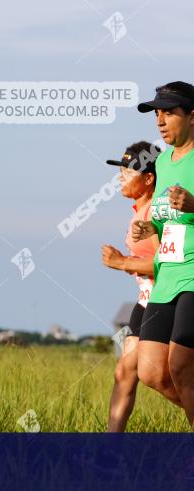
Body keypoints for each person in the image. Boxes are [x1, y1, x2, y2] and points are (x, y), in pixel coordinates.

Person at [132, 81, 194, 424]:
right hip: (166, 277)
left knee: (182, 365)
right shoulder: (165, 162)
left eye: (169, 112)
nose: (160, 120)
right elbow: (167, 217)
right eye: (157, 113)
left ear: (192, 116)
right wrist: (150, 228)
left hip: (193, 276)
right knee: (152, 371)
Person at [101, 141, 160, 431]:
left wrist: (123, 262)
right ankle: (109, 451)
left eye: (128, 171)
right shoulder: (139, 209)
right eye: (120, 171)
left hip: (165, 301)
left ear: (149, 178)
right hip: (144, 300)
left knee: (159, 376)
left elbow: (169, 264)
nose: (121, 177)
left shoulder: (156, 213)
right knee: (124, 371)